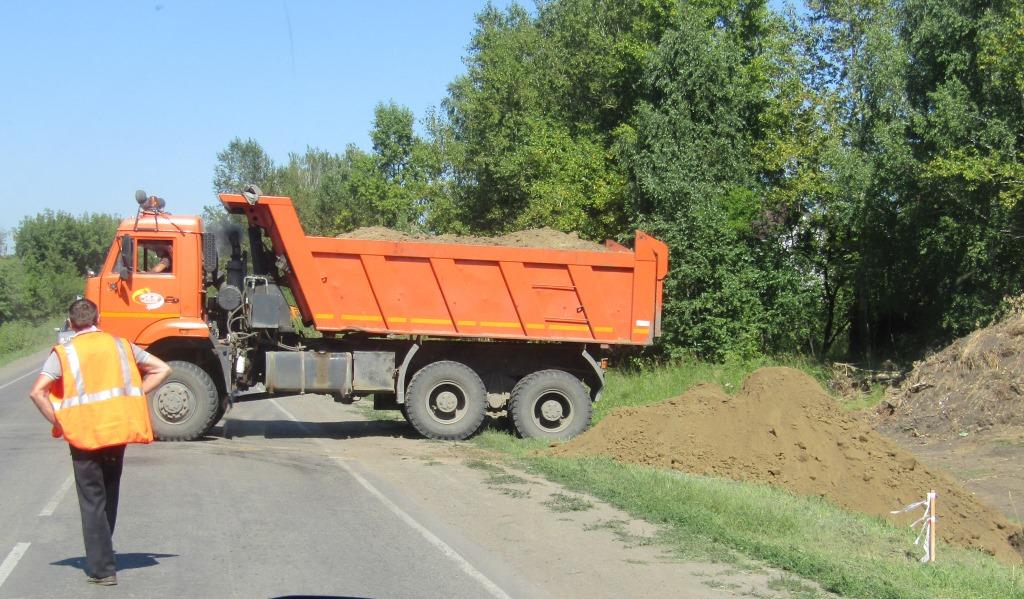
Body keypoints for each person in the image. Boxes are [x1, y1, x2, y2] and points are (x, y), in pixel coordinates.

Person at [28, 299, 171, 586]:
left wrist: (58, 421)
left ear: (70, 323)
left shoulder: (64, 353)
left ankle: (103, 569)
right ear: (99, 319)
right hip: (117, 430)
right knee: (109, 492)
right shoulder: (121, 345)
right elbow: (162, 369)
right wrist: (134, 394)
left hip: (83, 434)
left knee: (92, 499)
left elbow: (37, 393)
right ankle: (104, 551)